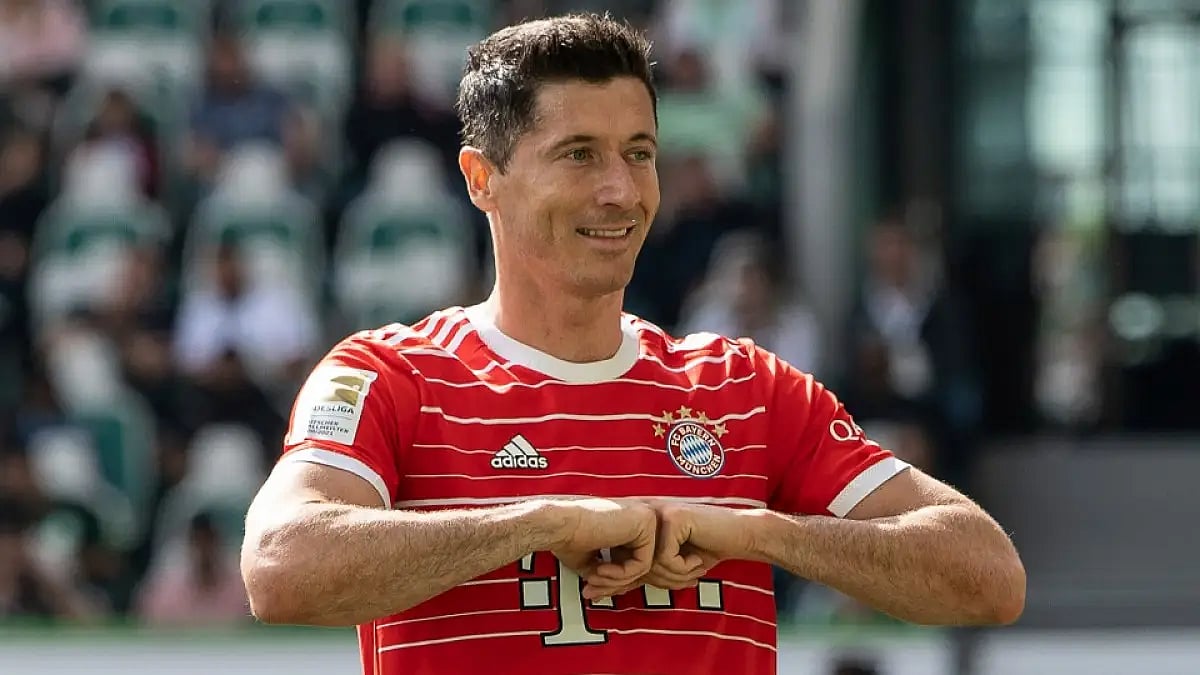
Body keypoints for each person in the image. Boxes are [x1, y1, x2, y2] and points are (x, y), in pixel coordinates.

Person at [239, 14, 1025, 675]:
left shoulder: (744, 386)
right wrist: (539, 523)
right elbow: (280, 567)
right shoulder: (387, 377)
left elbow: (989, 578)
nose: (620, 189)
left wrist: (760, 532)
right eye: (578, 154)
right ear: (482, 179)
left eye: (640, 153)